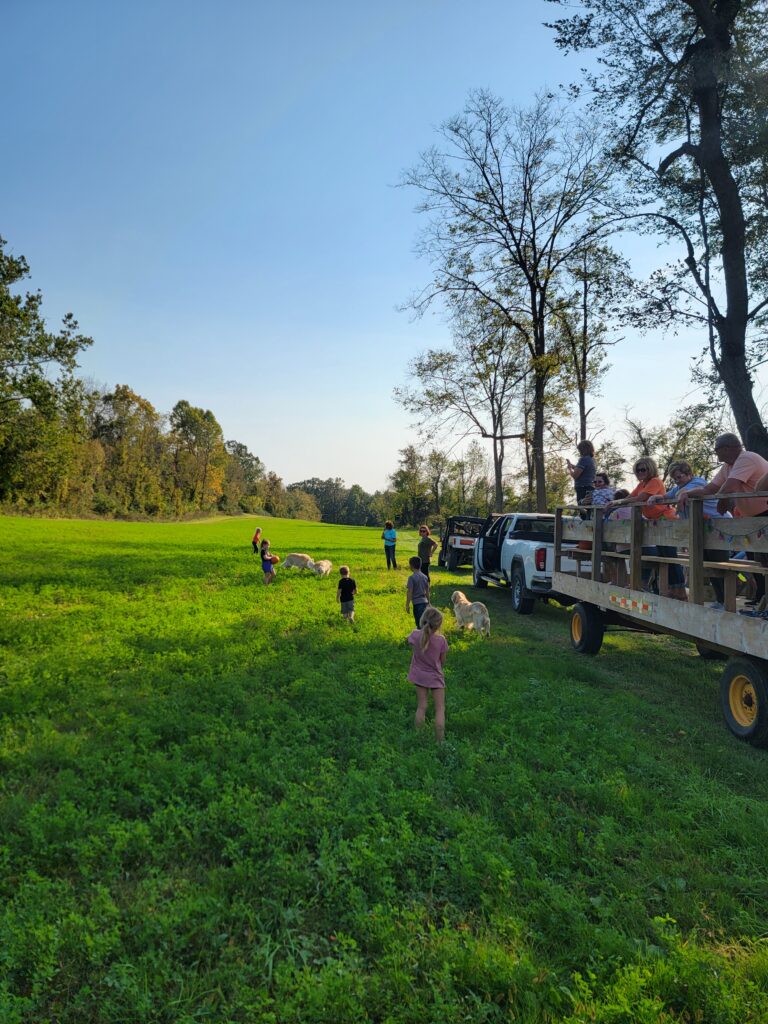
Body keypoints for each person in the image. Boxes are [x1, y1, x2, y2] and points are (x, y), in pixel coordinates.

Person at [677, 435, 768, 609]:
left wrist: (722, 500)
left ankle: (763, 602)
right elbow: (710, 488)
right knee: (757, 560)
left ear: (726, 448)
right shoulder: (728, 466)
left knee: (764, 560)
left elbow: (730, 487)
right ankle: (761, 599)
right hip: (751, 519)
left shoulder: (746, 458)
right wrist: (686, 494)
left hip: (764, 514)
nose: (716, 454)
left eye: (716, 450)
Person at [607, 457, 685, 597]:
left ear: (650, 469)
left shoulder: (655, 481)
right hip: (654, 524)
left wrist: (618, 502)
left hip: (665, 521)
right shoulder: (642, 484)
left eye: (643, 469)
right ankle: (664, 589)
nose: (640, 472)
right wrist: (615, 503)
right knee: (661, 557)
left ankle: (679, 591)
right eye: (637, 470)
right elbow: (630, 498)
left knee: (670, 558)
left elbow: (640, 499)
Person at [407, 606, 448, 742]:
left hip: (419, 676)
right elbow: (442, 661)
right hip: (435, 677)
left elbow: (409, 642)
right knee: (440, 709)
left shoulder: (415, 635)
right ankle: (440, 741)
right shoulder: (441, 640)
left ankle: (418, 738)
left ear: (423, 620)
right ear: (438, 625)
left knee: (421, 706)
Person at [567, 440, 596, 507]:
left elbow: (575, 476)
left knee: (582, 508)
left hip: (582, 488)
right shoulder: (591, 459)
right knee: (588, 508)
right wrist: (572, 466)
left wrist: (570, 469)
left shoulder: (583, 459)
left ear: (582, 450)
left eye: (579, 450)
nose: (579, 452)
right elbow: (583, 470)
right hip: (589, 487)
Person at [405, 556, 430, 628]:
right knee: (424, 624)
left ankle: (420, 634)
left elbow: (409, 592)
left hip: (417, 604)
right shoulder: (425, 577)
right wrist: (429, 602)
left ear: (411, 566)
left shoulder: (411, 578)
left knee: (419, 624)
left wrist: (407, 604)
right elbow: (427, 591)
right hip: (425, 603)